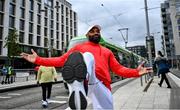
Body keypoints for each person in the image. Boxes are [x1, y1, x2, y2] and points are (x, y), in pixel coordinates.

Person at [20, 25, 152, 109]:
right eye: (93, 31)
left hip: (102, 85)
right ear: (87, 35)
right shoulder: (79, 48)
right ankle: (78, 84)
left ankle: (78, 89)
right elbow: (61, 60)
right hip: (87, 81)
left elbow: (119, 69)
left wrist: (135, 72)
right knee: (88, 56)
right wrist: (38, 59)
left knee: (106, 107)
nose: (96, 33)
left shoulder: (107, 51)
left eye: (98, 31)